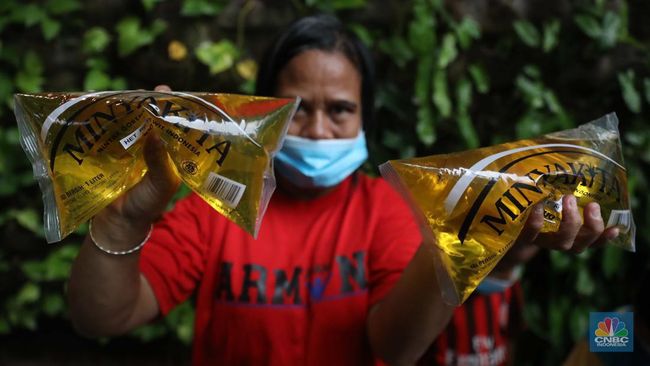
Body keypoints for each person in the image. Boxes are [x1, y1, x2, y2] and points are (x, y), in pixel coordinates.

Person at [67, 14, 618, 366]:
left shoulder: (387, 211)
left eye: (341, 111)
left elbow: (395, 347)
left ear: (364, 122)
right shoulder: (215, 209)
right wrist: (123, 218)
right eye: (298, 110)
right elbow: (102, 318)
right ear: (262, 117)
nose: (319, 129)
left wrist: (486, 238)